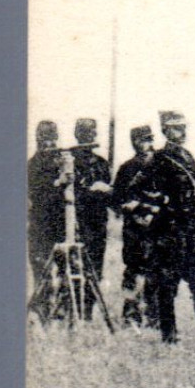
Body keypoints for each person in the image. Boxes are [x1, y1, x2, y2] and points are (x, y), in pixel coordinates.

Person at [145, 110, 195, 346]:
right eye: (178, 128)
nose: (183, 132)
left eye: (183, 127)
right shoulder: (158, 159)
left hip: (190, 228)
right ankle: (169, 337)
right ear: (166, 130)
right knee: (168, 285)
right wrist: (161, 203)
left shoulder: (186, 156)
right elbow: (136, 189)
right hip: (169, 230)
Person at [110, 124, 162, 325]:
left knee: (156, 271)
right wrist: (128, 207)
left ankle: (154, 315)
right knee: (133, 269)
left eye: (149, 139)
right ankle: (131, 315)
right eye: (141, 140)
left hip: (158, 226)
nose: (146, 144)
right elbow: (116, 200)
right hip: (134, 228)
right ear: (134, 142)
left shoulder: (162, 166)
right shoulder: (127, 168)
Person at [69, 118, 114, 313]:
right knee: (75, 266)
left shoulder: (101, 163)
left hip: (97, 223)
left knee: (95, 268)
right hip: (77, 222)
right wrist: (90, 191)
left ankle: (87, 311)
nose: (90, 136)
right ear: (77, 134)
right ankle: (73, 310)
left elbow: (111, 195)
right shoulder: (69, 160)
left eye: (93, 132)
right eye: (85, 132)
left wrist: (108, 191)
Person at [27, 120, 67, 296]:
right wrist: (59, 182)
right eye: (46, 138)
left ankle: (62, 312)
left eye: (53, 137)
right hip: (41, 225)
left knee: (65, 270)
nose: (51, 143)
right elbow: (38, 194)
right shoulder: (32, 165)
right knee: (42, 271)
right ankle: (42, 313)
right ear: (38, 139)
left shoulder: (61, 162)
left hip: (61, 225)